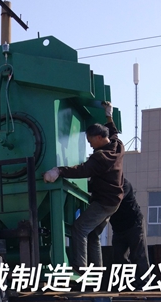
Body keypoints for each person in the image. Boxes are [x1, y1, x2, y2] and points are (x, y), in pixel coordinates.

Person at [43, 101, 124, 270]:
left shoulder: (101, 157)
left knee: (79, 228)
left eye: (90, 140)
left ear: (100, 137)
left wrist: (59, 171)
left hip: (104, 202)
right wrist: (108, 115)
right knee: (93, 234)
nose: (89, 144)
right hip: (114, 201)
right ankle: (97, 272)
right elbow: (113, 131)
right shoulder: (117, 146)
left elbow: (82, 170)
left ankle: (80, 267)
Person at [109, 177, 149, 290]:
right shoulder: (102, 185)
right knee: (119, 257)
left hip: (134, 224)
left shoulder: (124, 184)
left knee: (138, 254)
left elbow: (116, 199)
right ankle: (128, 283)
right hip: (118, 228)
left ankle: (144, 284)